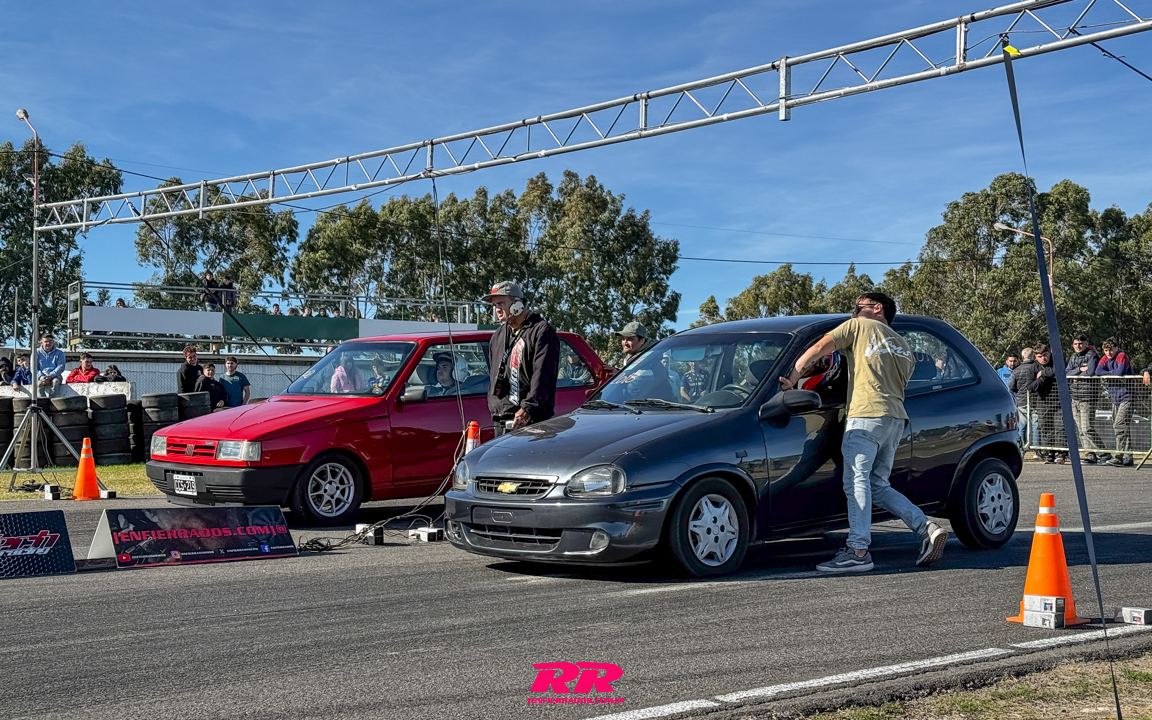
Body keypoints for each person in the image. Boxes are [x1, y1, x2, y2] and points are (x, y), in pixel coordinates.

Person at [779, 292, 948, 572]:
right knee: (877, 485)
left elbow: (819, 348)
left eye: (857, 307)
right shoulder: (904, 346)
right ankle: (926, 528)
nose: (853, 313)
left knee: (855, 480)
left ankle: (858, 551)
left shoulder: (858, 326)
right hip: (895, 419)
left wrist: (792, 380)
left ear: (876, 308)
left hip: (865, 415)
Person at [483, 281, 560, 431]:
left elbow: (543, 376)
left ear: (517, 303)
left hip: (530, 419)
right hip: (501, 418)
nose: (497, 309)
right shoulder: (498, 336)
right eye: (495, 305)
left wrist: (527, 408)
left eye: (501, 303)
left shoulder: (541, 331)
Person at [1095, 337, 1132, 466]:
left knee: (1119, 425)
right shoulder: (1105, 359)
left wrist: (1108, 374)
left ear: (1116, 348)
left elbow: (1119, 372)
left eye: (1111, 350)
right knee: (1121, 427)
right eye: (1106, 350)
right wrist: (1111, 373)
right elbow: (1098, 371)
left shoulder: (1121, 356)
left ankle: (1119, 456)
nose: (1109, 353)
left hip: (1127, 396)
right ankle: (1128, 456)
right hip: (1115, 398)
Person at [1066, 334, 1103, 464]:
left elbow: (1090, 372)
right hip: (1075, 396)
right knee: (1081, 430)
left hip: (1087, 397)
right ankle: (1089, 454)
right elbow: (1066, 372)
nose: (1078, 346)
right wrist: (1079, 369)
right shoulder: (1073, 356)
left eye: (1081, 343)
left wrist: (1077, 374)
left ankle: (1103, 453)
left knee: (1087, 428)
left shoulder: (1092, 355)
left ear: (1086, 344)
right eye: (1075, 344)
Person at [1028, 344, 1060, 463]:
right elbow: (1030, 387)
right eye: (1040, 356)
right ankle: (1050, 453)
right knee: (1046, 427)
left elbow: (1059, 370)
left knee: (1060, 427)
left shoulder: (1056, 362)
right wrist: (1042, 378)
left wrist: (1043, 373)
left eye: (1045, 355)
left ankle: (1060, 453)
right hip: (1043, 402)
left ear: (1049, 353)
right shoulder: (1033, 368)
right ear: (1036, 357)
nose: (1043, 358)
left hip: (1058, 401)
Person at [1008, 347, 1039, 447]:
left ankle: (1021, 447)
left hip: (1021, 400)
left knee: (1022, 425)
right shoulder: (1037, 368)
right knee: (1035, 424)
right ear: (1033, 356)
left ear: (1022, 357)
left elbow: (1011, 387)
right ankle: (1036, 447)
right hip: (1035, 400)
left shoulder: (1016, 370)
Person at [35, 334, 66, 398]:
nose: (48, 343)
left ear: (53, 342)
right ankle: (42, 402)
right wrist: (42, 377)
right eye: (46, 341)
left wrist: (51, 375)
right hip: (40, 377)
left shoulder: (60, 353)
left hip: (55, 376)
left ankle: (53, 401)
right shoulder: (36, 354)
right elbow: (34, 368)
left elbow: (61, 366)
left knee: (55, 382)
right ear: (41, 342)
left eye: (50, 341)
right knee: (39, 385)